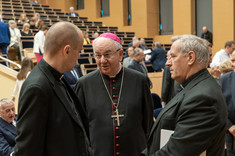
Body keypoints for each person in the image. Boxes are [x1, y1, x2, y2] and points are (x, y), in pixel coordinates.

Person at [14, 22, 91, 156]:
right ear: (67, 50)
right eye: (78, 51)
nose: (79, 56)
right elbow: (27, 150)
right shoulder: (37, 87)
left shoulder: (56, 76)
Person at [143, 35, 227, 156]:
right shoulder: (193, 86)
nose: (167, 63)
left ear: (190, 57)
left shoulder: (203, 98)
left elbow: (175, 152)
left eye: (173, 56)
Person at [75, 32, 153, 156]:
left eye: (107, 55)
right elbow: (80, 128)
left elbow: (148, 123)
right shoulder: (84, 84)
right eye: (98, 55)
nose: (102, 61)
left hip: (135, 151)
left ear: (121, 54)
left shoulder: (139, 80)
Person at [220, 51, 235, 156]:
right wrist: (229, 126)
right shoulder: (224, 80)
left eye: (234, 61)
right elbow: (219, 106)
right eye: (232, 60)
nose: (232, 64)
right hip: (231, 132)